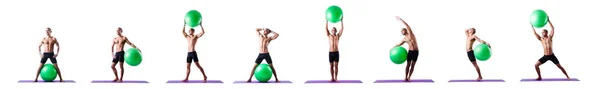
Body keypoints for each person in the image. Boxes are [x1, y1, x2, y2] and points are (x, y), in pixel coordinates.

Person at [394, 16, 419, 82]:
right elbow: (399, 44)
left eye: (402, 30)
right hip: (410, 52)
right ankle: (405, 77)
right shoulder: (404, 39)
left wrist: (400, 19)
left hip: (415, 52)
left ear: (405, 30)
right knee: (408, 65)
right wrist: (392, 48)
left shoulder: (411, 34)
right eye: (401, 31)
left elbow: (407, 25)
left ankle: (409, 77)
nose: (402, 32)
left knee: (413, 65)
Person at [325, 17, 344, 82]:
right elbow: (326, 29)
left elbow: (342, 29)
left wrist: (341, 21)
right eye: (332, 30)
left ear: (336, 31)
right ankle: (332, 78)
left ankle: (336, 78)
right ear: (331, 31)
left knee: (336, 66)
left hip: (336, 53)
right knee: (331, 66)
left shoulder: (338, 36)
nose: (333, 31)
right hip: (330, 53)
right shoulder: (329, 35)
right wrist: (327, 21)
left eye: (334, 30)